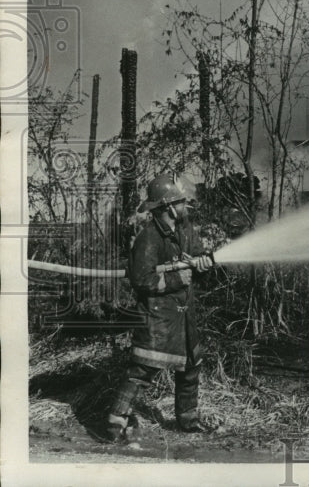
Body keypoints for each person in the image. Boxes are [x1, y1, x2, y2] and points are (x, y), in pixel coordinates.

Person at [103, 172, 214, 442]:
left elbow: (197, 258)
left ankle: (188, 420)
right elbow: (141, 280)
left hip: (184, 316)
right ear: (167, 207)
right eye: (181, 203)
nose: (186, 207)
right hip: (158, 318)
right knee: (143, 370)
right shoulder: (148, 238)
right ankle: (113, 425)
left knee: (191, 365)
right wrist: (178, 278)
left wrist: (203, 264)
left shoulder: (186, 230)